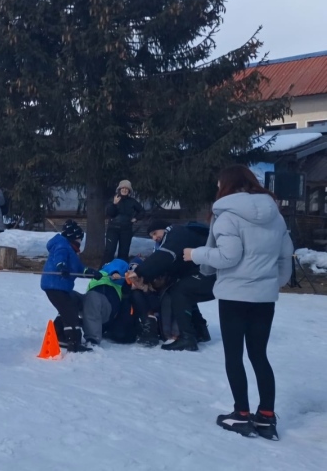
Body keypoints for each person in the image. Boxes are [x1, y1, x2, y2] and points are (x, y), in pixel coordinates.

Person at [185, 164, 293, 440]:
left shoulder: (226, 216)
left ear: (225, 185)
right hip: (264, 298)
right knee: (259, 355)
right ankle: (267, 417)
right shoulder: (275, 216)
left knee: (234, 355)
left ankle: (241, 414)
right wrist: (272, 284)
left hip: (234, 296)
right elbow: (285, 257)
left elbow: (228, 257)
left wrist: (195, 254)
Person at [128, 220, 213, 351]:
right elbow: (171, 266)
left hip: (211, 274)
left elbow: (164, 256)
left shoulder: (175, 232)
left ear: (164, 228)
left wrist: (140, 272)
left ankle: (187, 338)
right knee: (184, 288)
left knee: (179, 291)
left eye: (155, 233)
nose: (154, 238)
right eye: (152, 237)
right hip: (208, 273)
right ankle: (200, 330)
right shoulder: (181, 235)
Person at [41, 220, 101, 352]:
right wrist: (61, 266)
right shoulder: (62, 245)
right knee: (71, 314)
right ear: (74, 237)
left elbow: (78, 269)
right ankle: (74, 342)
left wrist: (90, 273)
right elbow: (59, 257)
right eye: (80, 239)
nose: (80, 242)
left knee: (68, 309)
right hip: (54, 286)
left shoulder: (72, 252)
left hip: (61, 288)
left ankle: (60, 335)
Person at [81, 259, 129, 346]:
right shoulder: (97, 273)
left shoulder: (119, 266)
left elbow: (118, 268)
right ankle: (64, 331)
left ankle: (93, 338)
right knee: (69, 296)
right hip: (93, 308)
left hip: (107, 304)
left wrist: (115, 273)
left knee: (92, 297)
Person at [104, 180, 144, 262]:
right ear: (119, 189)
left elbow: (142, 211)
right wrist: (114, 204)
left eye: (127, 188)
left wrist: (136, 218)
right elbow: (110, 213)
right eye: (123, 188)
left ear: (129, 191)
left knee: (124, 252)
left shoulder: (132, 201)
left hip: (126, 229)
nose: (124, 190)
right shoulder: (113, 199)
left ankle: (121, 272)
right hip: (113, 229)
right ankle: (103, 271)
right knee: (109, 251)